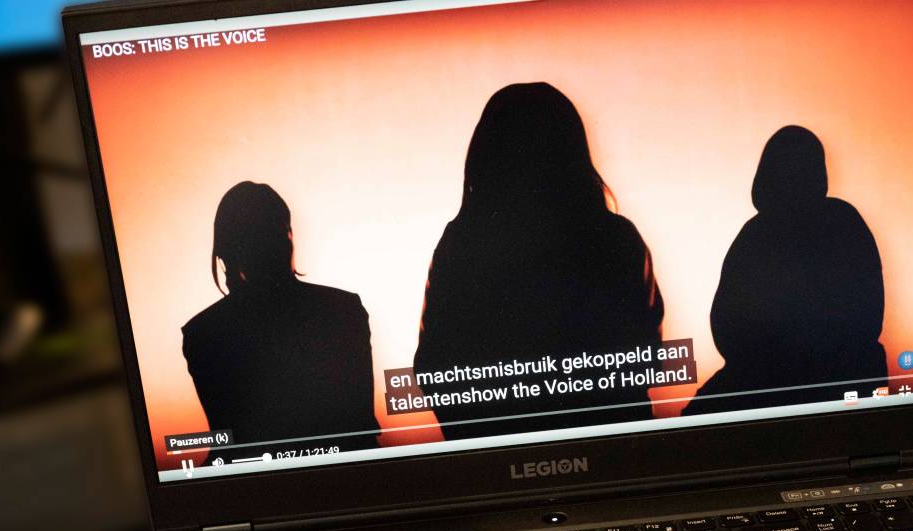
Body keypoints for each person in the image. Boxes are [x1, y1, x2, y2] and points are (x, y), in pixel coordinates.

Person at [414, 82, 665, 441]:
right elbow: (645, 357)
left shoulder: (463, 244)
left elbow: (435, 368)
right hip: (614, 448)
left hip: (496, 453)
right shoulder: (615, 238)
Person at [683, 126, 886, 416]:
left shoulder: (836, 224)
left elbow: (728, 324)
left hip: (813, 379)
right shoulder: (763, 233)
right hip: (777, 375)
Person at [182, 181, 379, 452]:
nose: (271, 245)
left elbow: (231, 444)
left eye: (276, 232)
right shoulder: (342, 309)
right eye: (258, 236)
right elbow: (360, 430)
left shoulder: (204, 333)